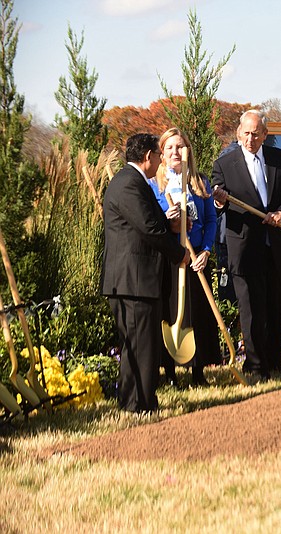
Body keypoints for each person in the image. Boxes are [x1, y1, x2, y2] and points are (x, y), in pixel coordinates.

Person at [211, 110, 281, 382]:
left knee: (275, 306)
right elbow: (217, 203)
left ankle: (276, 362)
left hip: (275, 246)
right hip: (244, 248)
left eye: (256, 133)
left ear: (265, 134)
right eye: (246, 133)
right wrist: (219, 200)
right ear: (239, 133)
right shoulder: (225, 164)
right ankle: (255, 366)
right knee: (251, 311)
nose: (250, 139)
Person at [101, 133, 189, 412]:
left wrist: (167, 221)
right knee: (141, 346)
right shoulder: (129, 184)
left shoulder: (134, 182)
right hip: (133, 280)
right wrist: (179, 254)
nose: (162, 159)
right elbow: (149, 229)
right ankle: (140, 404)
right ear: (148, 156)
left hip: (134, 280)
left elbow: (147, 224)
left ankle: (133, 402)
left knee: (137, 346)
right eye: (158, 153)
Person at [149, 127, 221, 387]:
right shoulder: (154, 185)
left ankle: (198, 372)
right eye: (169, 147)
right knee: (170, 313)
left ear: (187, 151)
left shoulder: (199, 182)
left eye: (179, 147)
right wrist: (166, 220)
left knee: (198, 314)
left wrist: (206, 251)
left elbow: (211, 220)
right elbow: (150, 223)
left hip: (196, 258)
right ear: (162, 153)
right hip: (170, 259)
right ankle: (169, 373)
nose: (175, 152)